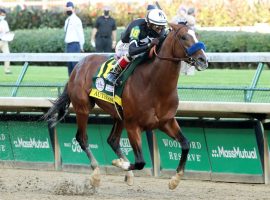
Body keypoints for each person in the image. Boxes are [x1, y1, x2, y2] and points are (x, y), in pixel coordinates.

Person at [105, 8, 167, 84]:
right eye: (157, 27)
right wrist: (149, 45)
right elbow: (132, 51)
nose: (160, 30)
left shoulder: (157, 28)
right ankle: (113, 74)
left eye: (162, 27)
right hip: (125, 46)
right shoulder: (136, 28)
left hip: (141, 43)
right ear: (149, 24)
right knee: (135, 54)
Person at [64, 1, 85, 76]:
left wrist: (81, 46)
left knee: (75, 66)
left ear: (73, 9)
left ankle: (76, 85)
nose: (68, 10)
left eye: (69, 8)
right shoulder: (67, 20)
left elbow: (80, 33)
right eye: (67, 9)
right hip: (68, 45)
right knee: (69, 66)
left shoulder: (76, 20)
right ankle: (70, 85)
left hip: (75, 45)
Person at [0, 8, 12, 74]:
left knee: (7, 55)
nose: (3, 16)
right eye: (2, 15)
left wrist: (10, 35)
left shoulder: (4, 22)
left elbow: (7, 31)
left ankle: (7, 70)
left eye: (4, 15)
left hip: (4, 41)